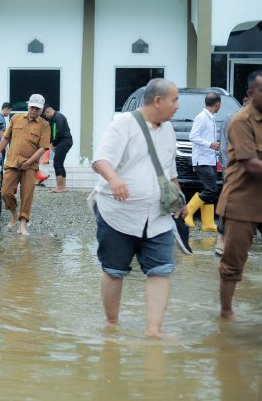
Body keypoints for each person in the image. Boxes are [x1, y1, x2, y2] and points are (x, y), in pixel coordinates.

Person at [91, 78, 185, 337]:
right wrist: (115, 179)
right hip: (118, 213)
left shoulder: (168, 130)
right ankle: (111, 325)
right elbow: (100, 159)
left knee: (161, 271)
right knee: (114, 270)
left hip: (158, 216)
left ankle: (153, 331)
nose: (178, 106)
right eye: (174, 100)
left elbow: (169, 170)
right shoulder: (123, 123)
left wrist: (179, 197)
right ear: (158, 100)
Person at [215, 70, 262, 321]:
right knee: (233, 262)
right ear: (250, 94)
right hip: (242, 201)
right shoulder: (240, 120)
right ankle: (226, 312)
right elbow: (251, 164)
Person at [0, 94, 51, 235]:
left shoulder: (44, 125)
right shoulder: (15, 118)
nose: (34, 110)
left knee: (27, 194)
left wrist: (29, 162)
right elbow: (5, 138)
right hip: (12, 162)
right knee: (5, 192)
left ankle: (23, 224)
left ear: (42, 110)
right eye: (32, 107)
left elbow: (43, 148)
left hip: (30, 166)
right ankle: (14, 213)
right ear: (28, 105)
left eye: (38, 108)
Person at [215, 95, 250, 256]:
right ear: (246, 100)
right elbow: (223, 146)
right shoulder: (232, 119)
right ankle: (221, 238)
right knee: (228, 204)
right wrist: (227, 170)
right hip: (234, 169)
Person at [184, 93, 222, 231]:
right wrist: (209, 144)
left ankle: (208, 224)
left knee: (210, 190)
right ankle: (187, 213)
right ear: (217, 104)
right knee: (211, 190)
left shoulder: (211, 118)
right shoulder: (201, 117)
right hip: (202, 160)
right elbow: (192, 136)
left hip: (211, 159)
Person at [42, 104, 73, 193]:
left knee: (57, 163)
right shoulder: (54, 118)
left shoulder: (58, 117)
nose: (46, 116)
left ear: (48, 111)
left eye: (45, 114)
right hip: (64, 142)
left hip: (64, 142)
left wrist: (54, 144)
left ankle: (59, 187)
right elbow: (53, 133)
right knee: (60, 163)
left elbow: (59, 132)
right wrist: (50, 143)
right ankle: (62, 187)